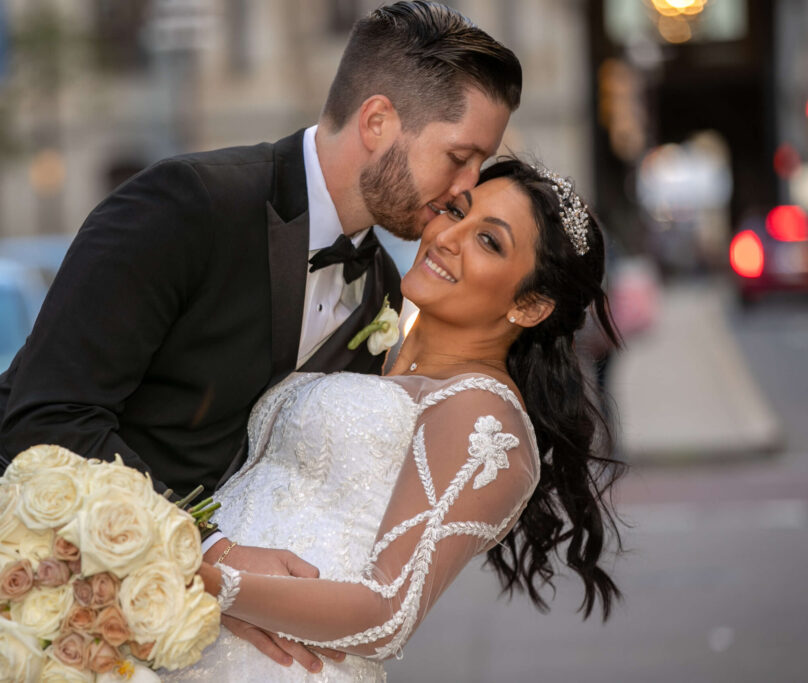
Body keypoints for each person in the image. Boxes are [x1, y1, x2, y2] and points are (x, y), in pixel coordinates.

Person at [0, 3, 522, 680]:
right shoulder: (187, 204)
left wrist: (225, 585)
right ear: (377, 122)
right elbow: (52, 414)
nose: (466, 191)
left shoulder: (378, 292)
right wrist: (215, 556)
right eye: (460, 159)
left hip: (126, 627)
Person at [167, 158, 625, 681]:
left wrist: (196, 581)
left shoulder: (483, 412)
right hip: (184, 638)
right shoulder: (375, 354)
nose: (449, 237)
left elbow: (387, 613)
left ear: (530, 305)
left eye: (489, 242)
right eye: (456, 210)